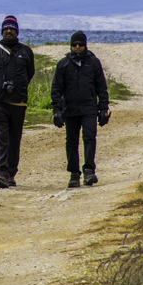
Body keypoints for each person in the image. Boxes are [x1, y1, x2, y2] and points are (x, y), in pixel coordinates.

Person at [50, 31, 111, 188]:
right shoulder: (63, 64)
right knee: (71, 141)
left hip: (90, 108)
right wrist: (57, 110)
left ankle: (89, 171)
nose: (77, 47)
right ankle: (74, 174)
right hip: (69, 109)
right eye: (74, 44)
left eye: (80, 44)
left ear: (85, 45)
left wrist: (104, 108)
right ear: (70, 46)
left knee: (89, 138)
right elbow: (56, 89)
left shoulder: (94, 63)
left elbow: (102, 87)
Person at [0, 15, 35, 188]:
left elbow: (30, 73)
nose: (8, 30)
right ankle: (2, 173)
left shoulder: (26, 51)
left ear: (17, 31)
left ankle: (11, 173)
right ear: (2, 30)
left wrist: (19, 87)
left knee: (14, 139)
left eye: (12, 28)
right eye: (6, 28)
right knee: (1, 137)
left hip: (18, 102)